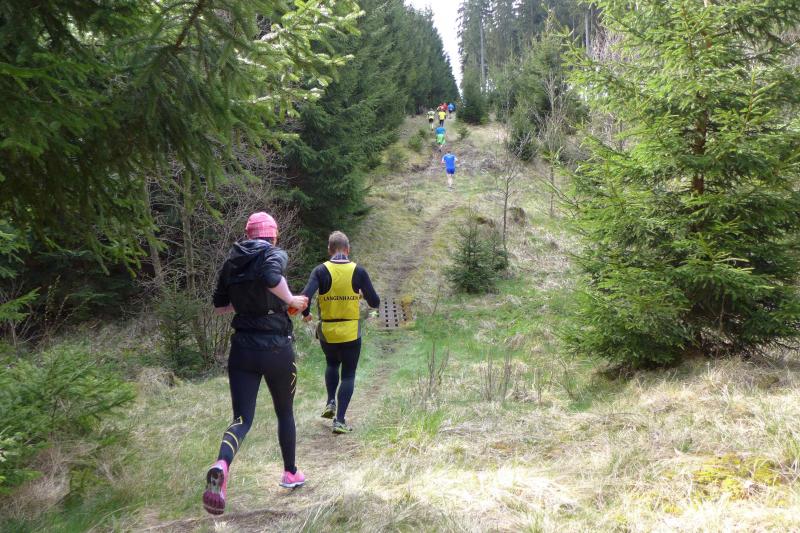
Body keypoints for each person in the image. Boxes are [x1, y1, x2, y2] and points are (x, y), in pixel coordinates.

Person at [203, 212, 309, 516]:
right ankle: (290, 473)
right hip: (276, 349)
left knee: (241, 419)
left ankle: (222, 464)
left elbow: (220, 306)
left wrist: (248, 302)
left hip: (242, 350)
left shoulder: (231, 262)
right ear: (273, 236)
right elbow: (271, 278)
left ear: (249, 235)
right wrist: (291, 300)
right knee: (284, 412)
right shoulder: (274, 253)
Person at [301, 231, 380, 434]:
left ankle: (330, 402)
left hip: (327, 331)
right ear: (348, 249)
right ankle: (340, 420)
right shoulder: (358, 271)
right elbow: (375, 302)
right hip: (351, 332)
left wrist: (306, 314)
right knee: (348, 375)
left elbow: (305, 297)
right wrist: (361, 294)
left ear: (329, 249)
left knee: (332, 364)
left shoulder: (320, 270)